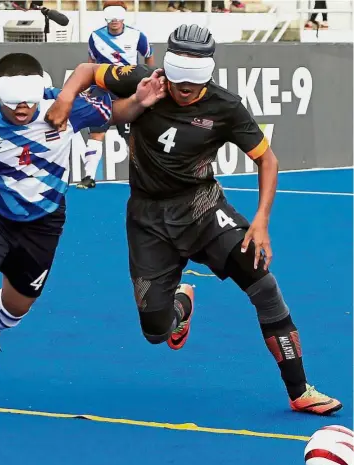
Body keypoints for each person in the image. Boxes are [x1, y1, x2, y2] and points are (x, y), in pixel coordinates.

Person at [45, 24, 342, 416]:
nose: (182, 90)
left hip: (203, 209)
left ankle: (300, 389)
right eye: (177, 81)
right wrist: (66, 97)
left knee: (263, 286)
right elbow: (87, 69)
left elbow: (266, 159)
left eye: (191, 84)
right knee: (156, 332)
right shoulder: (143, 80)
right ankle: (183, 302)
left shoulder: (226, 107)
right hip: (147, 218)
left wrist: (261, 221)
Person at [0, 52, 164, 409]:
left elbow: (113, 114)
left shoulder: (66, 106)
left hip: (43, 223)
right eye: (14, 103)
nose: (23, 109)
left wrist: (140, 99)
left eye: (29, 101)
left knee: (16, 308)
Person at [79, 0, 155, 190]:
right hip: (102, 87)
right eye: (110, 15)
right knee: (97, 131)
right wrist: (88, 83)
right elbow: (90, 62)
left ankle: (145, 174)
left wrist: (148, 77)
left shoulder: (137, 35)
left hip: (128, 88)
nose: (114, 20)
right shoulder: (95, 37)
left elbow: (148, 55)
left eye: (117, 15)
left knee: (132, 135)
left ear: (123, 16)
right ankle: (88, 176)